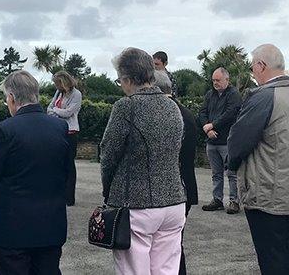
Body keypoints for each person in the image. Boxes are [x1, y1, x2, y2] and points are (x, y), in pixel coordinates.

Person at [0, 70, 73, 275]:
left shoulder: (4, 130)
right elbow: (67, 174)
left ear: (11, 97)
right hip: (50, 224)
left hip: (11, 227)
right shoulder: (59, 127)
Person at [101, 48, 186, 275]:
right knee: (166, 271)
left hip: (138, 205)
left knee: (134, 271)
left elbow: (108, 155)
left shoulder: (126, 106)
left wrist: (108, 192)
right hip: (173, 201)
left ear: (127, 79)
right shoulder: (173, 107)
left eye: (120, 80)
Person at [227, 44, 289, 275]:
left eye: (253, 66)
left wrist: (231, 166)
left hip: (268, 192)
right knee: (288, 257)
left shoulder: (263, 97)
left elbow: (237, 142)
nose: (252, 71)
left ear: (261, 66)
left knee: (271, 260)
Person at [155, 70, 198, 275]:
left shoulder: (168, 114)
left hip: (170, 188)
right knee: (174, 246)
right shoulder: (185, 112)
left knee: (168, 249)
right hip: (185, 185)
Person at [197, 67, 242, 214]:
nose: (215, 83)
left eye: (218, 80)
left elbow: (231, 113)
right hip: (212, 141)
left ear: (227, 80)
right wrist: (207, 128)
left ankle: (234, 201)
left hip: (227, 140)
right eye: (213, 80)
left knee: (232, 173)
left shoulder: (234, 94)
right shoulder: (210, 95)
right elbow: (202, 112)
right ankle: (217, 200)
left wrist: (213, 124)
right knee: (216, 173)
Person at [47, 70, 82, 206]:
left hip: (70, 132)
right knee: (57, 163)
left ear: (64, 82)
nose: (56, 86)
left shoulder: (76, 94)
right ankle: (58, 193)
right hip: (57, 130)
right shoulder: (59, 93)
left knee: (69, 164)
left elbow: (69, 113)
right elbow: (49, 108)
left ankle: (69, 197)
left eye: (57, 83)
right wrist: (56, 111)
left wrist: (55, 111)